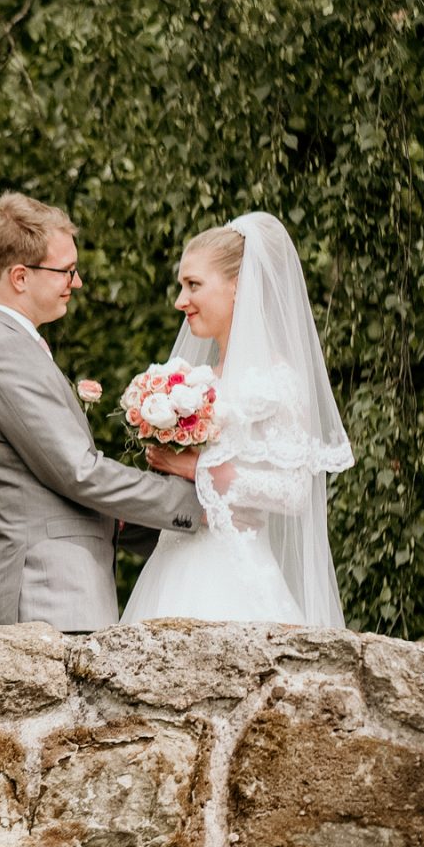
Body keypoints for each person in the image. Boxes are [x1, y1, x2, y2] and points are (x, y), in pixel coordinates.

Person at [0, 193, 202, 630]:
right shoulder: (1, 349)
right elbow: (77, 472)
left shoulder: (0, 343)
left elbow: (44, 489)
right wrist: (195, 504)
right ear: (20, 277)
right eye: (66, 270)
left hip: (53, 597)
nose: (77, 282)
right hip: (45, 600)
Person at [122, 213, 353, 627]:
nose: (180, 301)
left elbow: (295, 492)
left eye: (193, 285)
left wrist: (201, 469)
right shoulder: (197, 383)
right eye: (181, 286)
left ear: (238, 286)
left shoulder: (277, 381)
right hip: (175, 560)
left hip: (236, 573)